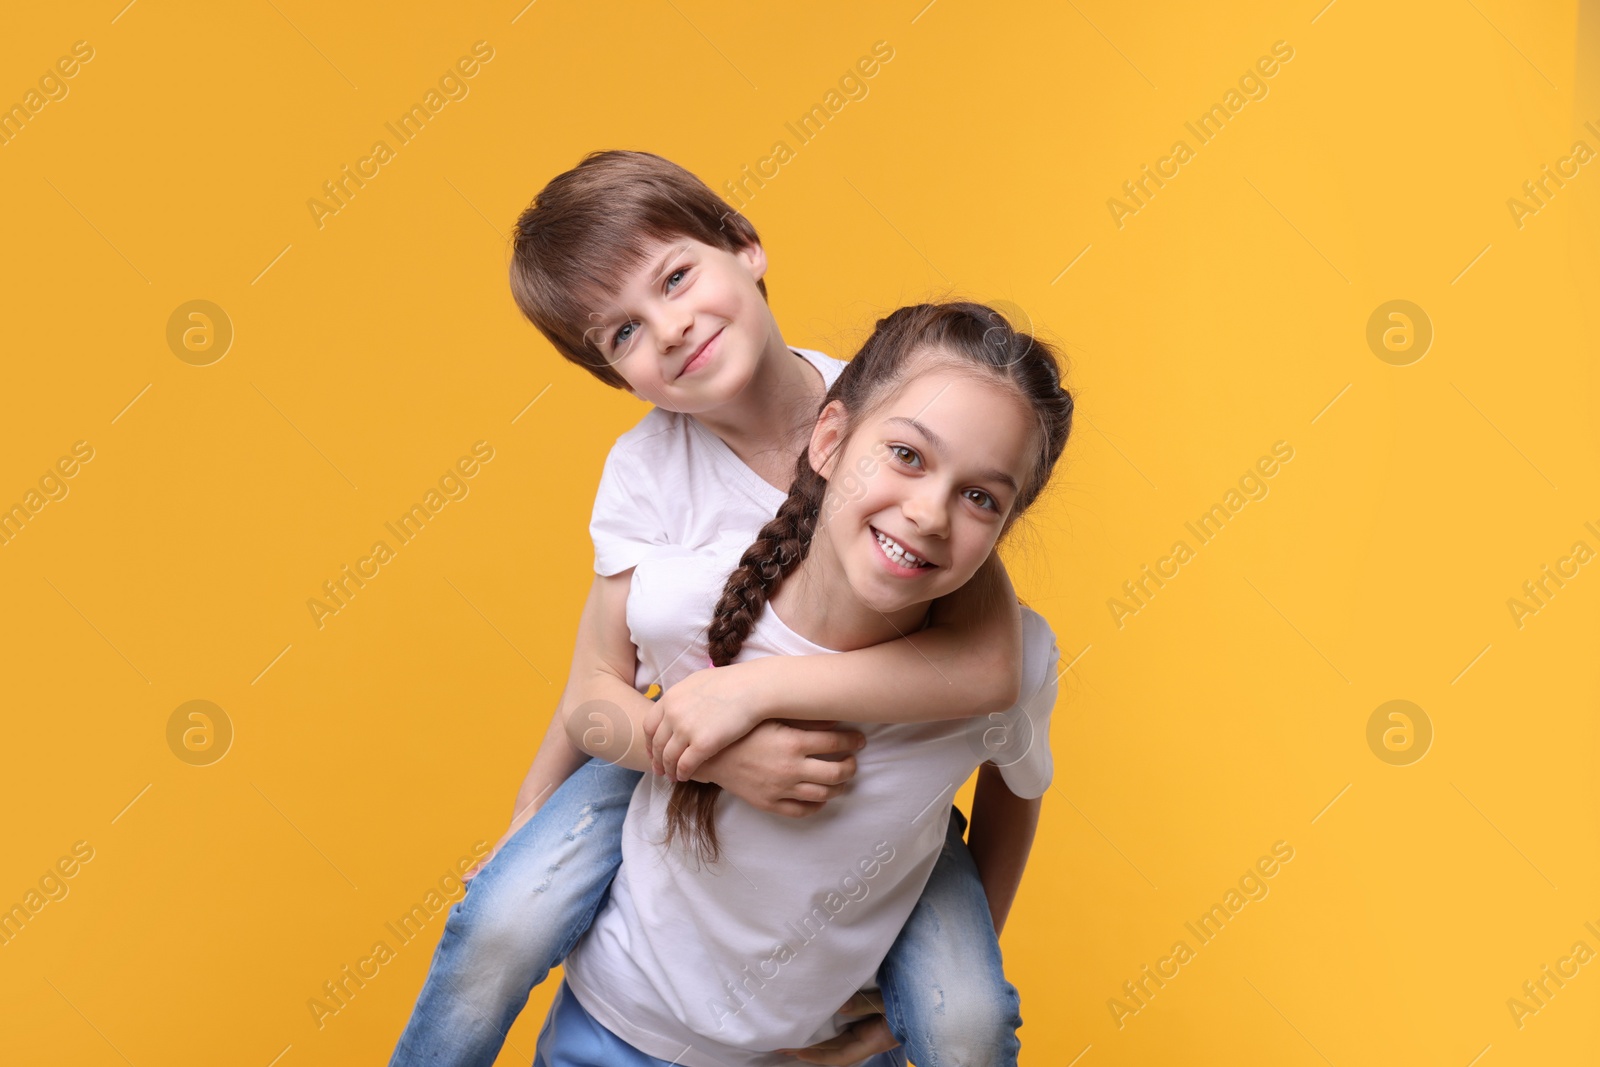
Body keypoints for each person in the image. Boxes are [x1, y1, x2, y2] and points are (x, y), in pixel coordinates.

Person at [389, 152, 1050, 1066]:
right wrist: (541, 804)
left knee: (965, 1014)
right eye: (622, 333)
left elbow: (988, 667)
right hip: (684, 743)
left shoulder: (898, 421)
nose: (670, 328)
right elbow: (597, 683)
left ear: (746, 246)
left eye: (675, 277)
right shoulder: (647, 476)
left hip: (872, 774)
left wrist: (763, 693)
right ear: (618, 378)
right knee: (499, 920)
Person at [539, 300, 1073, 1065]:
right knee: (495, 929)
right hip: (623, 1031)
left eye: (981, 497)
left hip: (826, 1051)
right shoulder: (703, 593)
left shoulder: (1010, 663)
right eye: (907, 456)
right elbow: (590, 702)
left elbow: (1018, 792)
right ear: (828, 439)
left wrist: (930, 999)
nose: (928, 513)